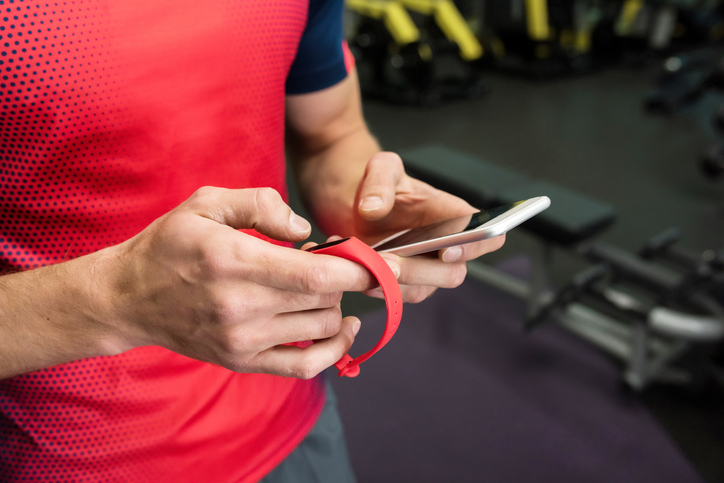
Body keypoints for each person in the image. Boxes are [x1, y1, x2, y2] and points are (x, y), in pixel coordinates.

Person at [0, 0, 504, 481]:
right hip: (62, 457)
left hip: (291, 419)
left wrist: (370, 207)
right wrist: (117, 300)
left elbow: (331, 132)